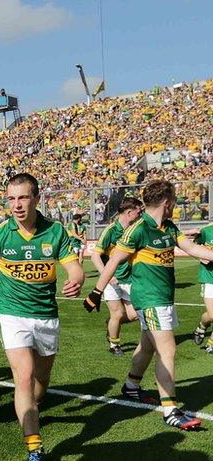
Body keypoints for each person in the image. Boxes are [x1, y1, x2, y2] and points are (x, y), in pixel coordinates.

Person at [84, 180, 213, 430]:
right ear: (166, 202)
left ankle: (131, 387)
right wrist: (97, 292)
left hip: (163, 299)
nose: (175, 205)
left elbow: (192, 247)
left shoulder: (169, 227)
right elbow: (112, 261)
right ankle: (170, 409)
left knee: (146, 347)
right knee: (168, 351)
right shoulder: (138, 229)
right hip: (149, 300)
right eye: (174, 201)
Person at [0, 173, 85, 461]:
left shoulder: (55, 231)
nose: (17, 205)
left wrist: (77, 279)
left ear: (37, 198)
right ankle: (34, 446)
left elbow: (73, 267)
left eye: (23, 197)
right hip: (13, 315)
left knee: (41, 381)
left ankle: (31, 408)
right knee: (22, 378)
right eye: (11, 199)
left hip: (46, 315)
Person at [89, 197, 143, 355]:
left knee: (136, 314)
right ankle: (114, 344)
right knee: (118, 313)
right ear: (129, 212)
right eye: (138, 212)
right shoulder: (111, 230)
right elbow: (95, 256)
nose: (140, 214)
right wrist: (107, 276)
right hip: (111, 282)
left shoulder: (136, 229)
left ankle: (111, 323)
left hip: (129, 279)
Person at [192, 220, 213, 353]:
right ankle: (201, 326)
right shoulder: (206, 231)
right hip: (209, 278)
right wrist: (202, 258)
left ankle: (211, 344)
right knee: (211, 315)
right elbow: (193, 247)